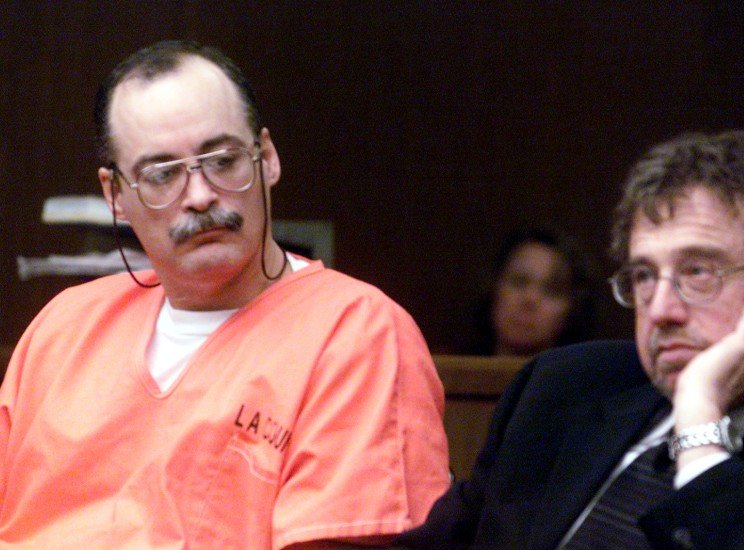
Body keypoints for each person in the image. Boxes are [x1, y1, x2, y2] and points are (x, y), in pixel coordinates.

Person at [0, 40, 450, 548]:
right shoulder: (65, 327)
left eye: (223, 160)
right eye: (162, 174)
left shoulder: (357, 333)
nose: (199, 195)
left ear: (268, 159)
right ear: (115, 196)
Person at [395, 130, 744, 548]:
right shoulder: (564, 387)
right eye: (644, 276)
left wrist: (701, 431)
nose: (662, 309)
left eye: (698, 272)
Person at [472, 228, 599, 357]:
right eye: (519, 282)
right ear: (493, 286)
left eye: (551, 290)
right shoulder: (453, 372)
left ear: (573, 308)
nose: (530, 299)